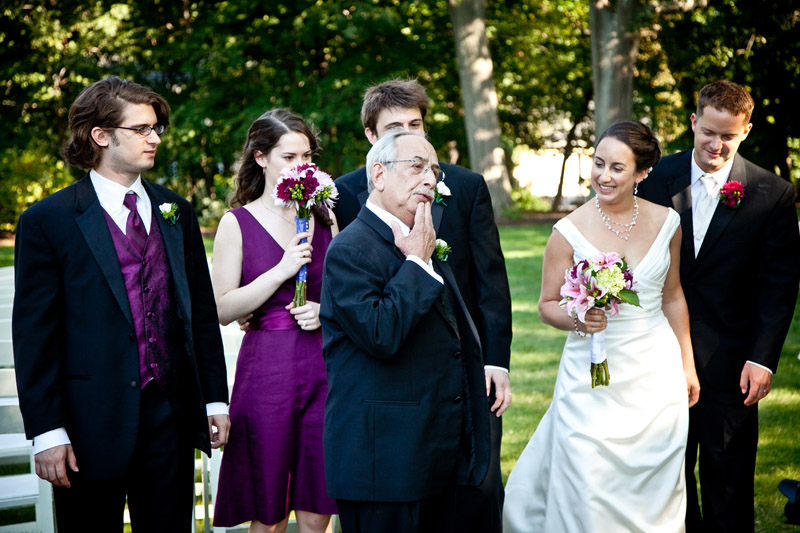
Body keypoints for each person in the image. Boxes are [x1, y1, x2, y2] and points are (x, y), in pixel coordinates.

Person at [11, 76, 230, 532]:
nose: (155, 138)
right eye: (141, 129)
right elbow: (35, 336)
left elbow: (200, 315)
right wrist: (48, 432)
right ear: (101, 135)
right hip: (87, 425)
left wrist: (213, 399)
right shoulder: (48, 221)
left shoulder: (177, 211)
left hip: (170, 420)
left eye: (156, 128)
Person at [504, 121, 700, 532]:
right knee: (587, 482)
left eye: (617, 168)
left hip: (655, 375)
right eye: (598, 163)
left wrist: (687, 365)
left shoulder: (668, 222)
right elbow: (546, 305)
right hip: (590, 380)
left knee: (655, 489)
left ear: (641, 173)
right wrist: (578, 318)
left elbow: (672, 296)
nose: (603, 176)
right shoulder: (568, 231)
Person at [333, 79, 511, 532]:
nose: (430, 179)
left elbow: (485, 288)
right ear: (378, 174)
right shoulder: (351, 245)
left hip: (441, 434)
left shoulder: (433, 217)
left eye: (432, 168)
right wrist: (416, 262)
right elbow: (380, 331)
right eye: (416, 167)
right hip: (386, 457)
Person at [638, 80, 800, 531]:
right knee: (665, 477)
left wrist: (761, 359)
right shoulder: (654, 179)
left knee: (728, 479)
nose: (715, 144)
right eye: (708, 132)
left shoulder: (772, 193)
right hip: (656, 353)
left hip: (732, 363)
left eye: (728, 136)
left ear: (745, 131)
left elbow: (778, 286)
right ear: (694, 122)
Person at [211, 109, 337, 533]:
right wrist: (281, 271)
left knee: (319, 507)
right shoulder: (236, 223)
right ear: (261, 158)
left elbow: (342, 293)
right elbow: (222, 309)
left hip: (322, 370)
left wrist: (324, 311)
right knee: (270, 511)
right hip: (267, 373)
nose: (301, 166)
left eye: (307, 157)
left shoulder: (325, 217)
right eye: (289, 157)